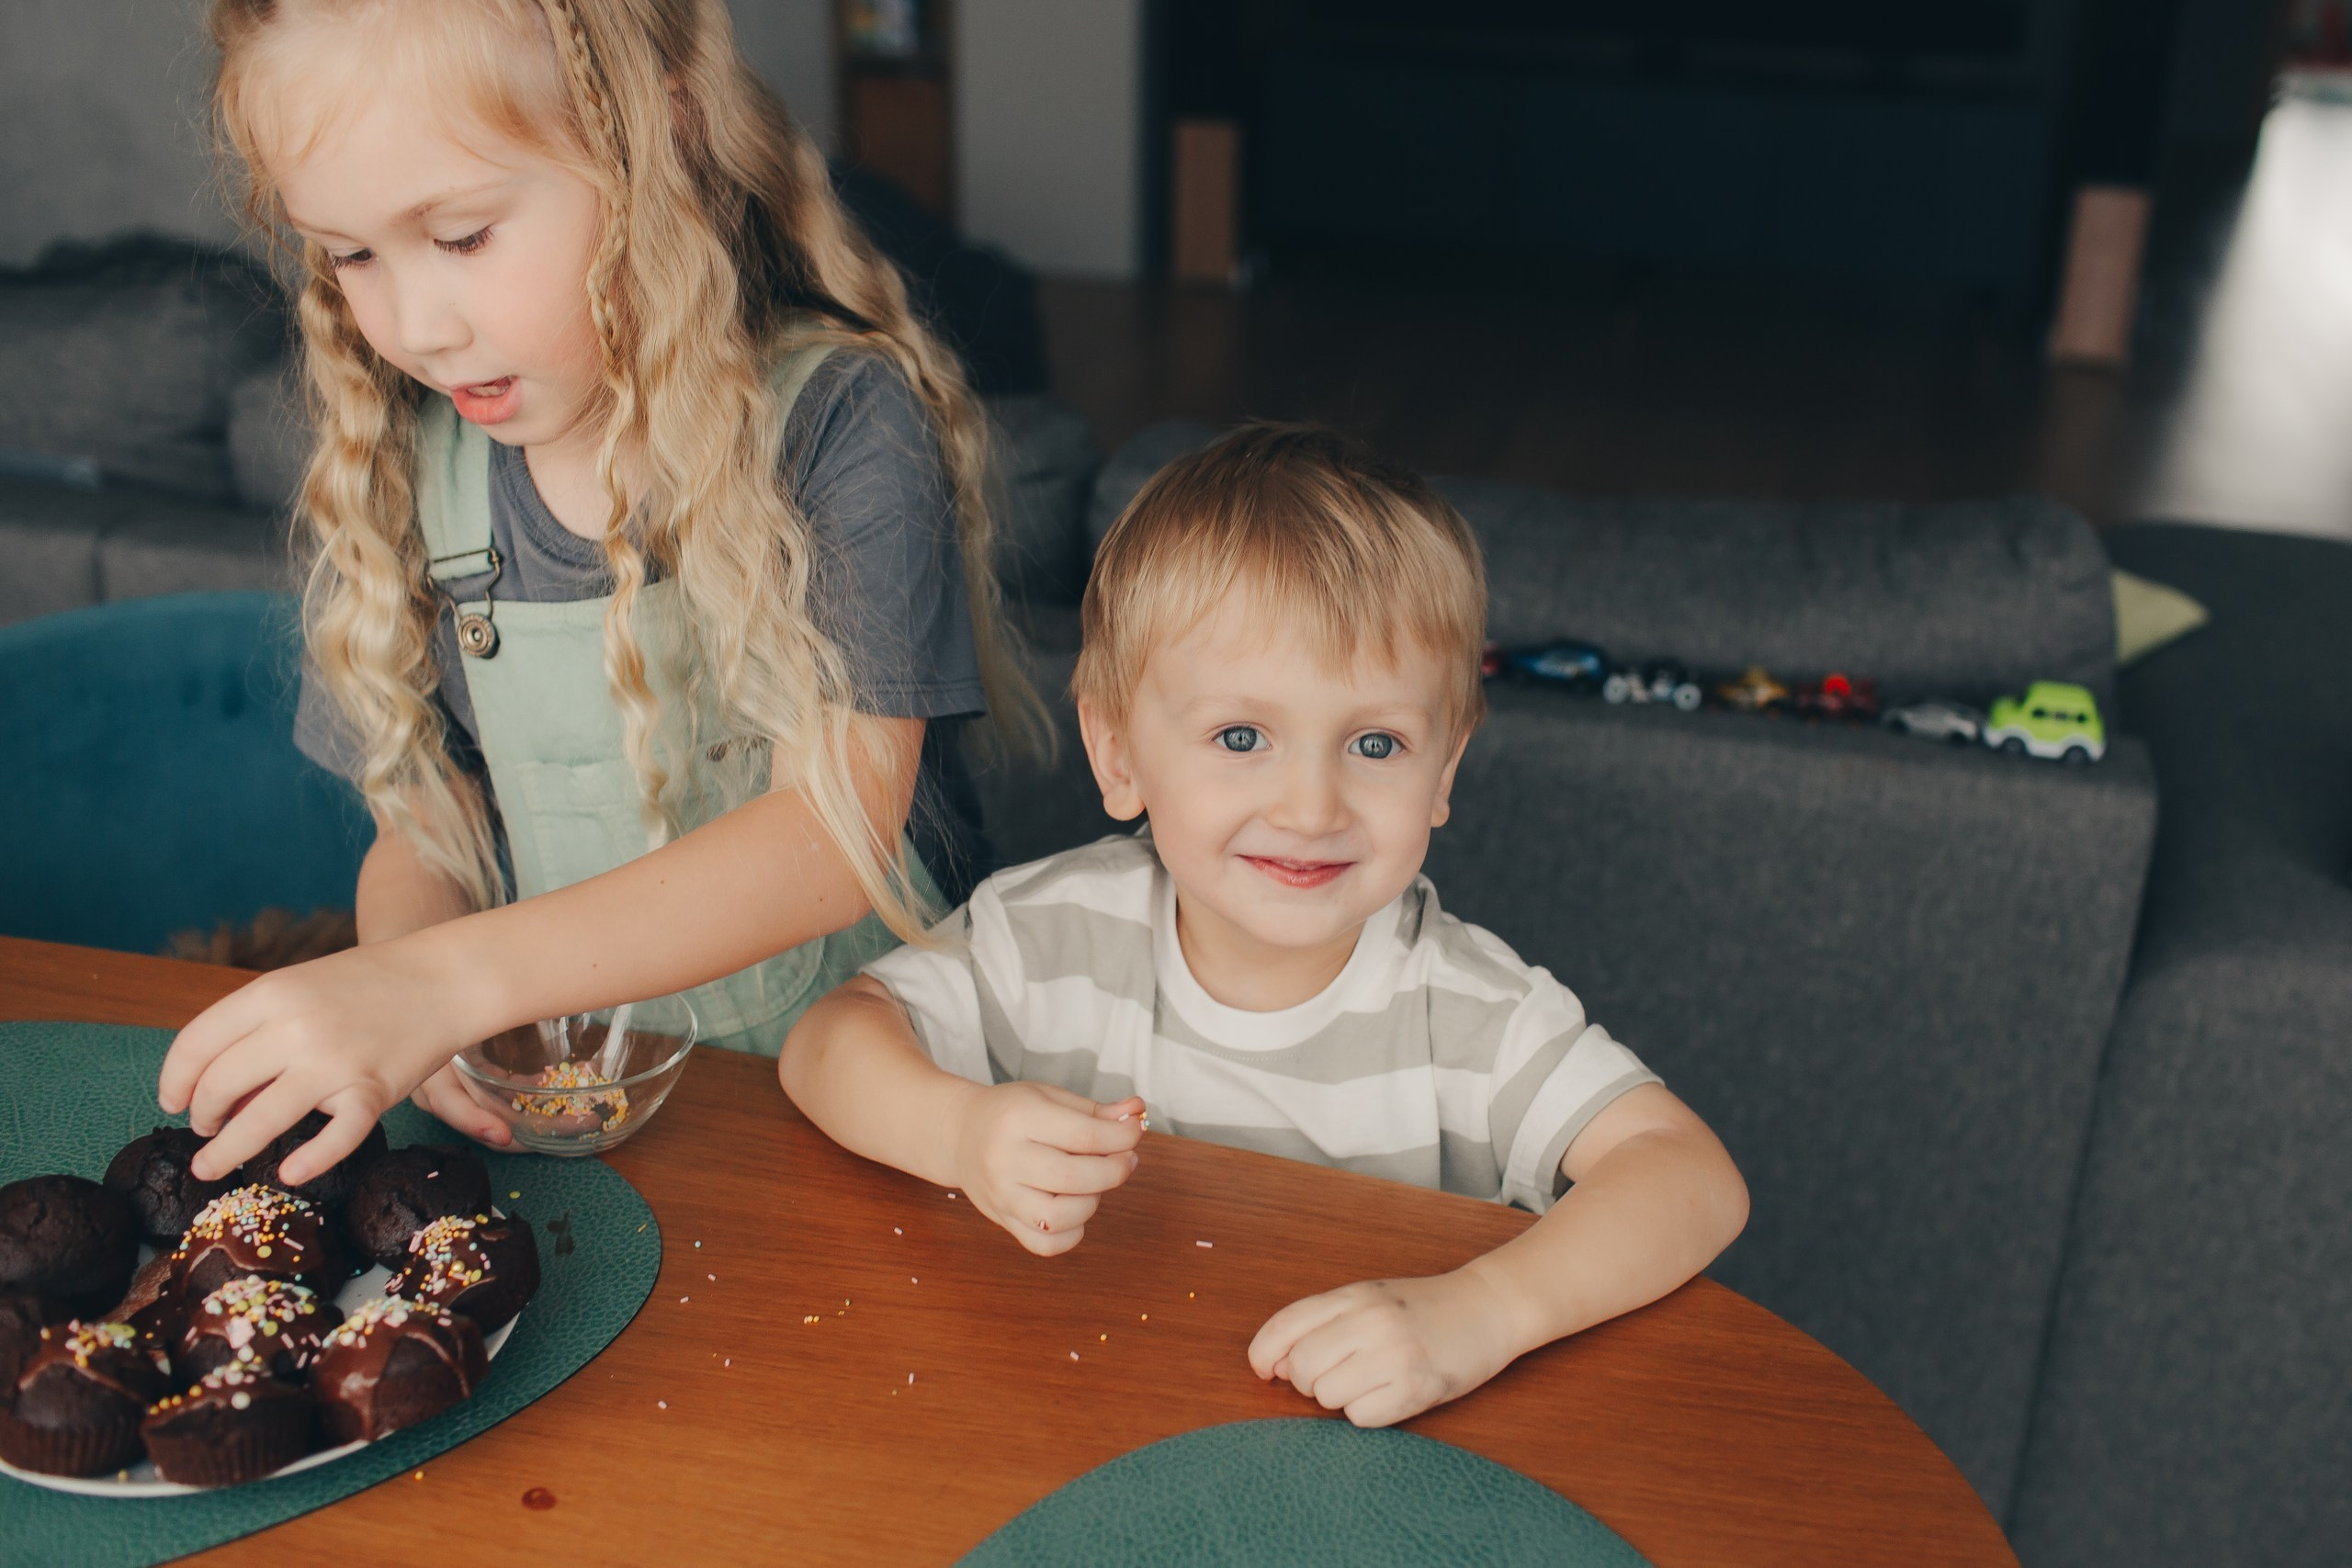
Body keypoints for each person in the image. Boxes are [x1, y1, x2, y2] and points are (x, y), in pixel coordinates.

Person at [161, 0, 1027, 1188]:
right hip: (584, 1128)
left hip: (875, 1116)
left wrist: (438, 982)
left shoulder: (837, 423)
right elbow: (426, 832)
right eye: (351, 255)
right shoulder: (406, 469)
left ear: (652, 142)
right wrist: (405, 988)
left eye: (462, 235)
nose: (416, 326)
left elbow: (833, 838)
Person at [779, 423, 1749, 1427]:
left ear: (1444, 770)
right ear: (1117, 752)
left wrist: (1484, 1312)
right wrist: (957, 1132)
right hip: (1079, 1416)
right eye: (1241, 736)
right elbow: (828, 1041)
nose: (1310, 807)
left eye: (1377, 744)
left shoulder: (1470, 1014)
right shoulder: (1048, 934)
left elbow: (1689, 1175)